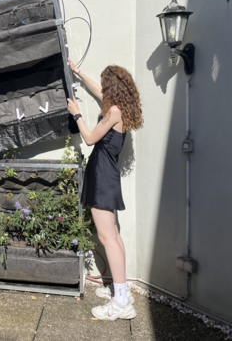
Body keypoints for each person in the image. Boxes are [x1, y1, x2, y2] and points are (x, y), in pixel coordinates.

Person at [66, 57, 143, 320]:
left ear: (112, 88)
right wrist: (78, 72)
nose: (102, 88)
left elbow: (89, 139)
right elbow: (97, 92)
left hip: (101, 176)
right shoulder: (119, 107)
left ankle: (120, 303)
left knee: (107, 238)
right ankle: (121, 291)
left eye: (104, 85)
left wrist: (76, 113)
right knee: (114, 236)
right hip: (107, 174)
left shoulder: (113, 112)